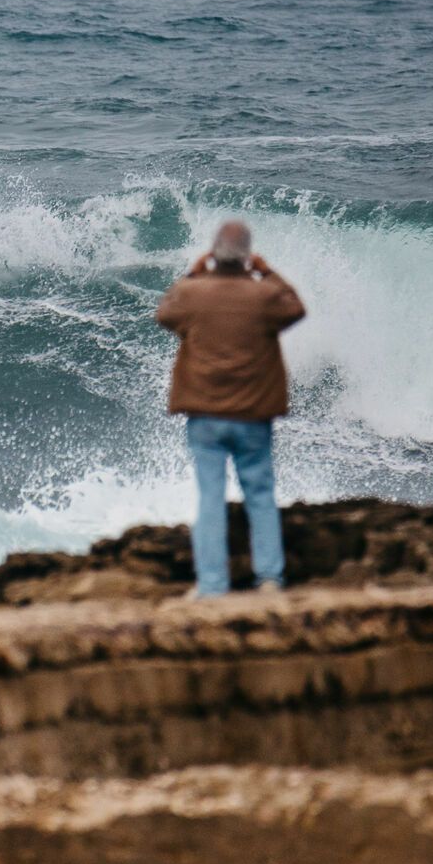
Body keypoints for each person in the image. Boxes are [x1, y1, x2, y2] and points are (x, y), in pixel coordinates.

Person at [154, 221, 307, 598]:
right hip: (253, 416)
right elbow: (296, 308)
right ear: (247, 256)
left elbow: (164, 312)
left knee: (209, 498)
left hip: (205, 417)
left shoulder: (192, 294)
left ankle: (211, 585)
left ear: (213, 254)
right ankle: (269, 578)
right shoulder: (264, 296)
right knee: (260, 493)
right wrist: (266, 270)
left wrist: (192, 271)